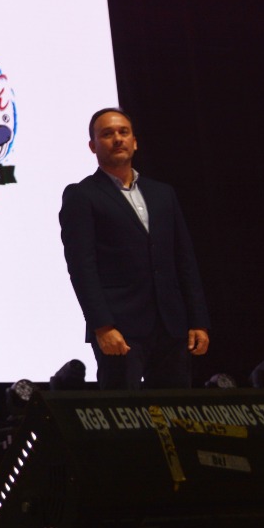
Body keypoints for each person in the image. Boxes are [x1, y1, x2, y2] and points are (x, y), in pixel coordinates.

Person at [58, 108, 209, 390]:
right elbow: (81, 267)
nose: (117, 139)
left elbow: (184, 260)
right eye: (107, 134)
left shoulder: (163, 193)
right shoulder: (82, 195)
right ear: (93, 146)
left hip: (171, 325)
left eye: (123, 132)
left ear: (135, 141)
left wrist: (197, 320)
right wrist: (102, 326)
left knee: (177, 417)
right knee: (122, 417)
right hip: (119, 328)